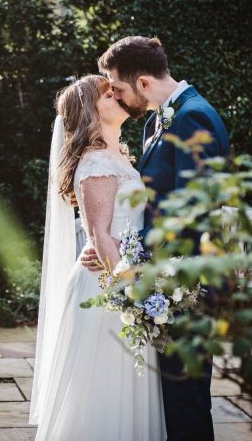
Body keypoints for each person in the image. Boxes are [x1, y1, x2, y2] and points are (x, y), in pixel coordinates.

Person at [85, 36, 231, 441]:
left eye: (118, 87)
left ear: (144, 83)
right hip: (164, 282)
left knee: (186, 402)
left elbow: (192, 211)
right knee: (170, 402)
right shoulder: (156, 121)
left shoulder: (194, 118)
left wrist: (130, 255)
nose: (114, 95)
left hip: (189, 282)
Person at [30, 74, 166, 440]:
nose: (118, 96)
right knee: (103, 393)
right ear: (92, 111)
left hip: (116, 275)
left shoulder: (115, 155)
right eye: (108, 94)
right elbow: (100, 236)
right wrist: (133, 293)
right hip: (108, 285)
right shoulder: (96, 162)